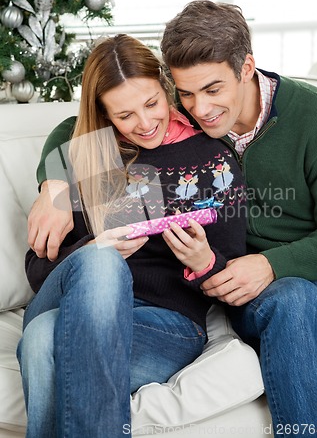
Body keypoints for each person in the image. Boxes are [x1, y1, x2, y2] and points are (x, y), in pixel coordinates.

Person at [28, 1, 317, 437]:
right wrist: (53, 182)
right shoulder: (175, 109)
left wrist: (270, 265)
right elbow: (81, 126)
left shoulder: (316, 121)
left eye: (212, 90)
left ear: (247, 67)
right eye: (185, 94)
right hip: (218, 282)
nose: (200, 108)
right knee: (50, 328)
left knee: (295, 302)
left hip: (289, 276)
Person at [17, 33, 247, 438]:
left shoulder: (211, 157)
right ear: (104, 115)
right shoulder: (87, 152)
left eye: (152, 103)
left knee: (40, 341)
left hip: (166, 322)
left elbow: (231, 266)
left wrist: (202, 262)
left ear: (166, 87)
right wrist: (93, 250)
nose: (144, 123)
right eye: (124, 116)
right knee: (102, 260)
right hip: (70, 296)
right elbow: (38, 271)